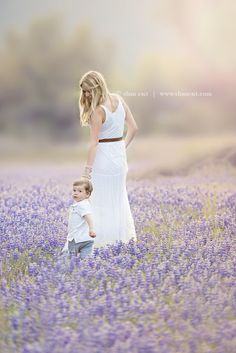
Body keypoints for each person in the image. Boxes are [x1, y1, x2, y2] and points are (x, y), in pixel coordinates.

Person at [78, 70, 138, 247]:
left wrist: (87, 171)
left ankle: (98, 243)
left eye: (89, 90)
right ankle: (119, 241)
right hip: (119, 160)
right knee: (117, 200)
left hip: (103, 161)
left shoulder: (98, 111)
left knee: (98, 203)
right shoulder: (119, 100)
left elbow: (94, 144)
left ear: (97, 87)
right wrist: (121, 148)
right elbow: (133, 128)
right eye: (84, 91)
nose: (86, 94)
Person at [61, 178, 96, 258]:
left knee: (71, 258)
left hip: (76, 239)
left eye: (80, 191)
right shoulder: (86, 204)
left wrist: (91, 229)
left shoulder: (81, 205)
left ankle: (71, 267)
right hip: (87, 239)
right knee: (85, 260)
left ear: (87, 194)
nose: (76, 193)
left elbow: (89, 217)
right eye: (74, 190)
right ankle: (84, 267)